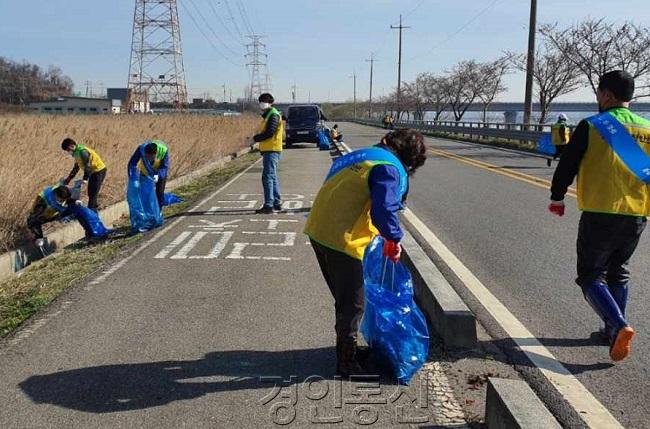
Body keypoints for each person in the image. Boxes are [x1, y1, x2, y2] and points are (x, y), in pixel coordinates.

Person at [304, 128, 427, 375]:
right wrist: (394, 238)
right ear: (410, 158)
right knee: (353, 304)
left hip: (320, 230)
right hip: (342, 239)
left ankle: (348, 350)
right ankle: (346, 362)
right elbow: (385, 209)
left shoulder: (364, 156)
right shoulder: (388, 169)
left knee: (346, 299)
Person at [549, 70, 649, 362]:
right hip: (637, 213)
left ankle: (618, 325)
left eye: (598, 94)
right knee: (619, 272)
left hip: (600, 211)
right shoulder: (648, 129)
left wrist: (557, 197)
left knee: (591, 275)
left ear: (606, 95)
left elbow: (568, 164)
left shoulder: (593, 126)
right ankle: (609, 332)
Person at [253, 93, 284, 214]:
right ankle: (276, 202)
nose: (261, 104)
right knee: (272, 176)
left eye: (263, 101)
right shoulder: (269, 115)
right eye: (260, 101)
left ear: (270, 102)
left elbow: (270, 132)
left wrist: (257, 138)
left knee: (267, 177)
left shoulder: (273, 115)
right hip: (270, 149)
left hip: (272, 149)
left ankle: (268, 204)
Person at [61, 138, 107, 212]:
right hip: (93, 172)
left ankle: (91, 211)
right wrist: (69, 178)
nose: (68, 152)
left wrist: (85, 179)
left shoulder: (83, 152)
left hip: (99, 170)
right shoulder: (76, 153)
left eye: (68, 149)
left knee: (93, 192)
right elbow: (76, 167)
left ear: (72, 146)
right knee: (90, 192)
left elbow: (87, 166)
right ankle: (95, 207)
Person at [128, 139, 170, 207]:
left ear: (156, 153)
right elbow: (132, 163)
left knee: (159, 195)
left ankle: (158, 214)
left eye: (151, 157)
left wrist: (158, 175)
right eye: (147, 157)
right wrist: (132, 177)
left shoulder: (164, 150)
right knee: (144, 195)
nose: (149, 159)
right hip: (145, 173)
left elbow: (165, 167)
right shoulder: (141, 149)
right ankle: (147, 214)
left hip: (159, 172)